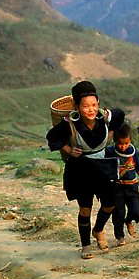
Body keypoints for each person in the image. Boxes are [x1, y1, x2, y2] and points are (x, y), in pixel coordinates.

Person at [46, 81, 125, 259]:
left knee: (109, 204)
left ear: (98, 104)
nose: (91, 110)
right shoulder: (70, 124)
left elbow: (120, 115)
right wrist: (68, 150)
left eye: (94, 105)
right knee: (85, 209)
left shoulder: (104, 117)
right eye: (86, 106)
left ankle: (98, 230)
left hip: (103, 166)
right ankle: (86, 246)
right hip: (81, 169)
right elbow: (52, 137)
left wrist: (110, 134)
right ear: (76, 106)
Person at [105, 122, 139, 246]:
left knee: (137, 211)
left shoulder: (134, 152)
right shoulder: (109, 152)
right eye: (120, 143)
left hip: (132, 186)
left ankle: (129, 220)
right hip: (116, 188)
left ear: (130, 140)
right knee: (118, 213)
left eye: (126, 143)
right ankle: (119, 236)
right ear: (114, 141)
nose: (123, 146)